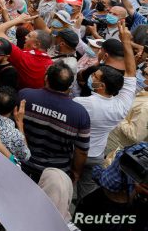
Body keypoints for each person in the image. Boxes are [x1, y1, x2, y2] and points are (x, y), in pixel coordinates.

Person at [73, 23, 137, 201]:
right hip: (96, 155)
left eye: (95, 77)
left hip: (75, 151)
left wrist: (125, 42)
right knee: (86, 195)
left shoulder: (82, 103)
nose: (92, 76)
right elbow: (131, 72)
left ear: (101, 86)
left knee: (66, 182)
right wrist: (126, 43)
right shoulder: (122, 105)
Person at [19, 60, 91, 182]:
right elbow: (81, 151)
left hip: (22, 163)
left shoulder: (24, 96)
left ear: (46, 78)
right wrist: (76, 172)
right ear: (70, 86)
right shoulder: (80, 114)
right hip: (56, 174)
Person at [0, 14, 53, 89]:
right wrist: (36, 16)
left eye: (29, 36)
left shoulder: (23, 57)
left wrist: (18, 19)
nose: (25, 37)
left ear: (36, 44)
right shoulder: (51, 63)